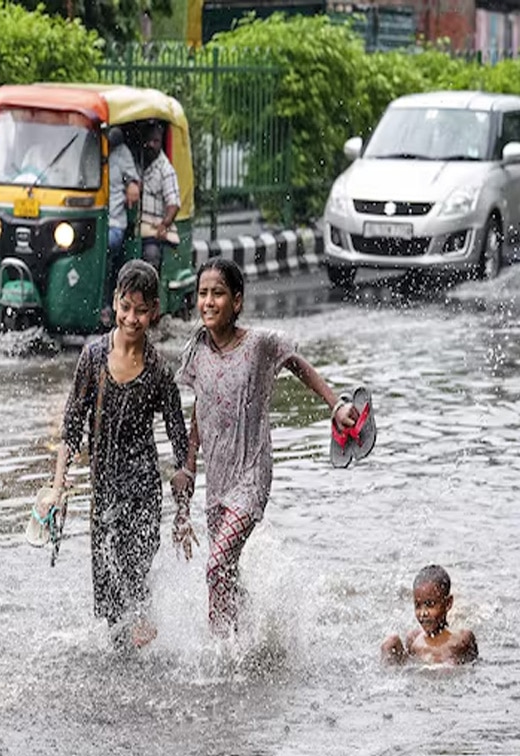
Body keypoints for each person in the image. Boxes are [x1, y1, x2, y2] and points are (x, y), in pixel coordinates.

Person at [177, 258, 358, 636]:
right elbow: (200, 410)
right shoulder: (197, 353)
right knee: (226, 572)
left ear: (237, 302)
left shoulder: (259, 344)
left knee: (215, 566)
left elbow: (297, 363)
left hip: (251, 475)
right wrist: (189, 466)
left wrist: (335, 405)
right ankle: (250, 636)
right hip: (218, 481)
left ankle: (219, 653)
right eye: (203, 294)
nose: (208, 302)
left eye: (219, 294)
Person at [37, 260, 194, 650]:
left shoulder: (159, 370)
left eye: (142, 310)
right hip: (103, 492)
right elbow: (72, 426)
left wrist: (183, 509)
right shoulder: (92, 358)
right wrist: (58, 488)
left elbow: (179, 438)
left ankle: (141, 640)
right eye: (126, 307)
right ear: (115, 304)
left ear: (154, 311)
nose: (132, 318)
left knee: (135, 578)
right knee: (108, 601)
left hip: (143, 491)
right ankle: (124, 669)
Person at [382, 565, 479, 665]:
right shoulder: (414, 639)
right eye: (418, 605)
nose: (423, 613)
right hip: (418, 677)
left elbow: (476, 666)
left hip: (446, 678)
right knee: (390, 643)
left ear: (448, 603)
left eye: (430, 605)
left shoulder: (462, 640)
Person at [134, 121, 180, 271]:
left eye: (156, 141)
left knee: (151, 256)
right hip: (134, 229)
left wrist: (164, 224)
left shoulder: (165, 169)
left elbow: (174, 203)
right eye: (149, 141)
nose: (152, 145)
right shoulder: (137, 163)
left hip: (152, 232)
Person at [107, 138, 141, 294]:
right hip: (89, 218)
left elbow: (134, 182)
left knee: (106, 246)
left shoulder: (121, 153)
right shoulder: (81, 142)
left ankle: (106, 303)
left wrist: (132, 185)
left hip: (114, 222)